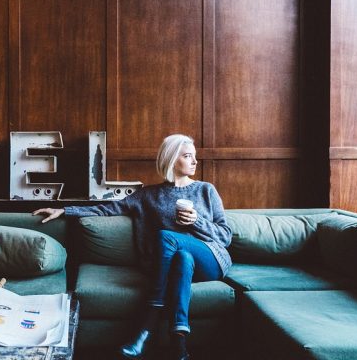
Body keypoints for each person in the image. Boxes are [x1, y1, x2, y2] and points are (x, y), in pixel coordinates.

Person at [33, 134, 232, 360]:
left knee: (169, 238)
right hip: (180, 266)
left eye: (194, 157)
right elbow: (107, 209)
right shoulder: (148, 195)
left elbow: (225, 236)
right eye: (188, 156)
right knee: (183, 257)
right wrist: (65, 211)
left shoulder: (206, 190)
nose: (195, 162)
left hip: (211, 259)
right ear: (171, 159)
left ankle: (148, 321)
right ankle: (179, 344)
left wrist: (197, 221)